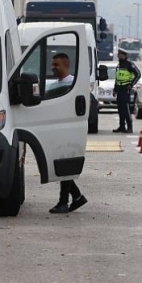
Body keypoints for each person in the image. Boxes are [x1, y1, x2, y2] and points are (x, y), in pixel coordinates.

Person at [47, 53, 88, 214]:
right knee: (62, 168)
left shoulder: (72, 84)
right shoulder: (53, 86)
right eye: (52, 64)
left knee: (64, 167)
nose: (53, 67)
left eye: (56, 65)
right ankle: (77, 198)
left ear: (66, 65)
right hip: (56, 131)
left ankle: (64, 202)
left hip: (69, 132)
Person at [113, 49, 140, 133]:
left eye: (120, 54)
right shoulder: (119, 65)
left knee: (126, 109)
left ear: (125, 55)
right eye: (118, 54)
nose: (119, 55)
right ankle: (122, 126)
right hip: (119, 90)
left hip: (126, 90)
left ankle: (129, 126)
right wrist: (115, 89)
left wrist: (131, 84)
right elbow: (117, 79)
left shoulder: (129, 64)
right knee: (120, 109)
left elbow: (138, 74)